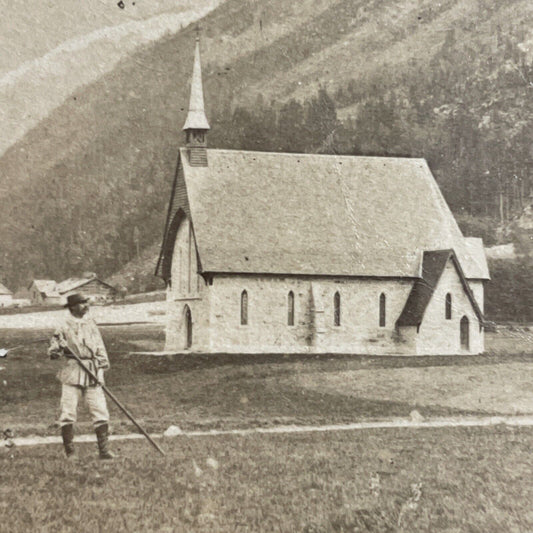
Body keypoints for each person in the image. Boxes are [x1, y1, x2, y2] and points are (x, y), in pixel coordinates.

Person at [47, 293, 115, 459]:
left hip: (93, 370)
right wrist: (57, 349)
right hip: (72, 371)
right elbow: (53, 349)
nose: (86, 305)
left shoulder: (90, 323)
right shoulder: (63, 325)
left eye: (86, 302)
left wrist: (101, 363)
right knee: (68, 412)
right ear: (72, 307)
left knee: (100, 411)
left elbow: (99, 345)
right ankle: (70, 453)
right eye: (81, 303)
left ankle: (104, 451)